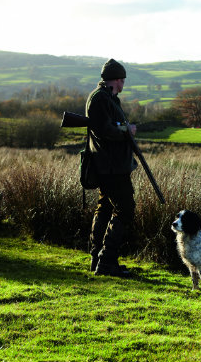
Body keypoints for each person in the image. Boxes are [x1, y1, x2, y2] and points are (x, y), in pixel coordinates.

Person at [86, 58, 138, 277]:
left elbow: (108, 127)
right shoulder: (100, 98)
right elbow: (104, 130)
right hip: (111, 166)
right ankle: (106, 262)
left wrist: (124, 129)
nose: (123, 84)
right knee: (125, 210)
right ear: (117, 80)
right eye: (122, 80)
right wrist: (127, 131)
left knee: (106, 208)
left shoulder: (108, 98)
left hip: (112, 165)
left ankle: (99, 259)